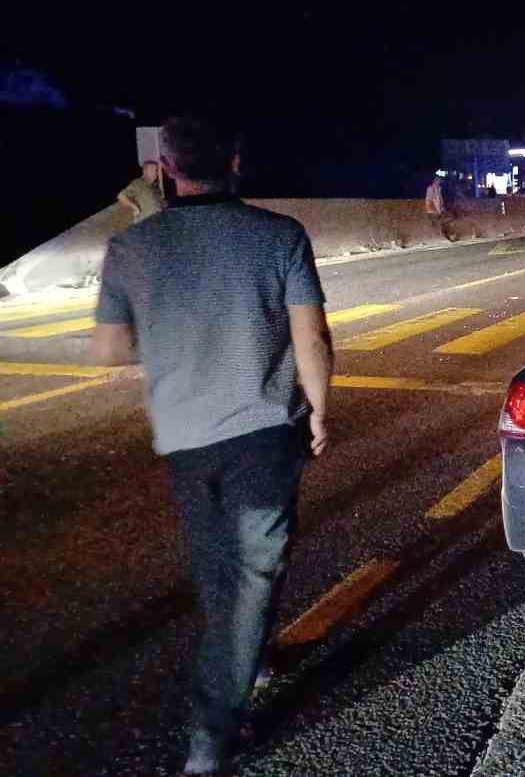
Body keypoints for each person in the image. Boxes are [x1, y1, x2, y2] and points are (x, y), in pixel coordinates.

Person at [90, 117, 333, 776]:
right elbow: (310, 338)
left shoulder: (131, 249)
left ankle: (248, 660)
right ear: (235, 160)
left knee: (218, 564)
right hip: (263, 430)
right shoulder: (279, 236)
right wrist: (319, 412)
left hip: (182, 435)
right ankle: (211, 731)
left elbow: (110, 349)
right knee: (254, 569)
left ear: (165, 168)